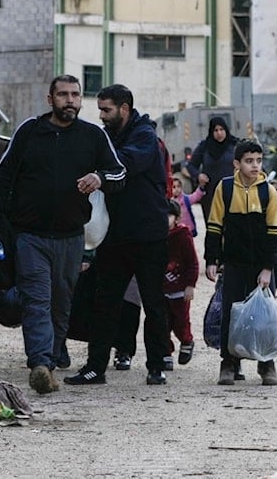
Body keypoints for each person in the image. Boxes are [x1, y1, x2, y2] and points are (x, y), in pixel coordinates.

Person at [0, 74, 126, 395]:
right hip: (30, 235)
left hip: (72, 236)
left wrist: (100, 177)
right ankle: (40, 363)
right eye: (63, 95)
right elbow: (1, 180)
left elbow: (119, 172)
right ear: (50, 99)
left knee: (61, 300)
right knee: (36, 298)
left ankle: (55, 352)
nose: (69, 100)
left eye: (75, 95)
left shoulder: (93, 136)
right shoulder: (29, 132)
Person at [65, 84, 170, 387]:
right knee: (105, 304)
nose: (101, 116)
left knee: (153, 303)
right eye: (99, 109)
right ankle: (95, 367)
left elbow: (127, 162)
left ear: (124, 109)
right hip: (114, 238)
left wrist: (99, 172)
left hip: (148, 236)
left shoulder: (144, 136)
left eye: (106, 110)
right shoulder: (106, 135)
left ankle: (156, 365)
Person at [204, 139, 277, 386]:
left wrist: (269, 268)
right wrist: (212, 259)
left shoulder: (267, 191)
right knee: (232, 312)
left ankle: (266, 363)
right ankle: (229, 362)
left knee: (264, 317)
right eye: (249, 161)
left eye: (258, 161)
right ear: (237, 163)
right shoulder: (225, 189)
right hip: (234, 264)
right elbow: (215, 225)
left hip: (260, 266)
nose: (255, 166)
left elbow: (275, 231)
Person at [164, 199, 200, 367]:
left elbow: (192, 262)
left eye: (169, 215)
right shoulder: (155, 236)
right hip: (161, 289)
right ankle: (166, 354)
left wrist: (190, 285)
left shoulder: (183, 236)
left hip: (180, 289)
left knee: (181, 321)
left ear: (177, 218)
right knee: (162, 324)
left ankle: (186, 341)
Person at [186, 116, 239, 222]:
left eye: (221, 129)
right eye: (216, 130)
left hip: (233, 192)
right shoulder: (204, 146)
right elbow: (191, 166)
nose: (219, 133)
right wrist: (198, 175)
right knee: (213, 227)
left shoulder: (235, 145)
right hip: (211, 194)